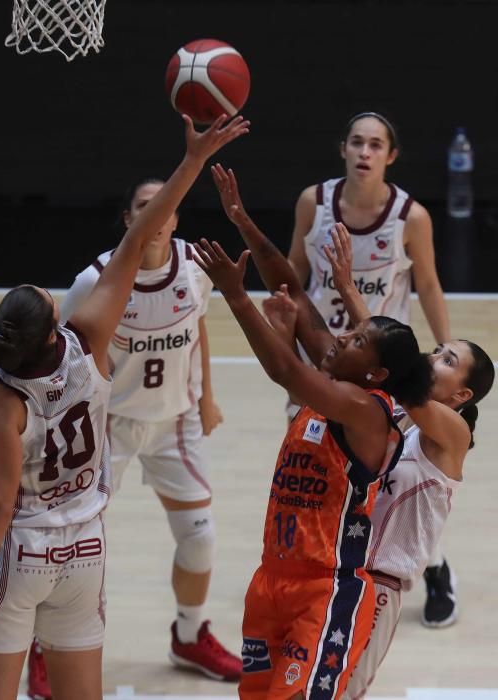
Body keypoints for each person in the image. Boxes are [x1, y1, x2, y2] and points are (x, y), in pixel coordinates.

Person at [0, 113, 249, 700]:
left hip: (23, 552)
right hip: (84, 550)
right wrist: (193, 160)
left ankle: (189, 631)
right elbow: (139, 237)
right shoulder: (89, 344)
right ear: (53, 330)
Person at [192, 166, 433, 699]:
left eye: (356, 340)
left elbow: (285, 370)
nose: (341, 337)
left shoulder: (366, 408)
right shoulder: (335, 378)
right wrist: (243, 221)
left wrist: (235, 297)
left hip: (325, 590)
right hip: (271, 579)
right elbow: (292, 289)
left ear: (375, 373)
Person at [27, 176, 240, 697]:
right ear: (129, 219)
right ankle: (43, 647)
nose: (157, 213)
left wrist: (207, 396)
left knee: (200, 536)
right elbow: (66, 360)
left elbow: (199, 327)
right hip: (108, 427)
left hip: (176, 423)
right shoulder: (94, 280)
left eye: (165, 205)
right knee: (72, 544)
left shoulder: (196, 266)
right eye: (146, 205)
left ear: (175, 217)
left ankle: (189, 635)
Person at [286, 112, 454, 628]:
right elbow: (294, 272)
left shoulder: (412, 216)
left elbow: (426, 284)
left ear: (391, 155)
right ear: (343, 149)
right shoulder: (314, 202)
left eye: (375, 144)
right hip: (325, 360)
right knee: (314, 473)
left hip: (381, 371)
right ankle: (319, 573)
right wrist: (284, 340)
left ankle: (436, 567)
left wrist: (442, 353)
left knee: (392, 482)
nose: (365, 151)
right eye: (357, 142)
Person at [319, 224, 495, 698]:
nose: (432, 356)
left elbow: (397, 368)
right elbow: (386, 354)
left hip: (378, 585)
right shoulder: (400, 407)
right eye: (437, 350)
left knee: (343, 692)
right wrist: (348, 289)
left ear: (461, 393)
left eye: (445, 358)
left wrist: (354, 295)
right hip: (334, 566)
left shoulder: (454, 435)